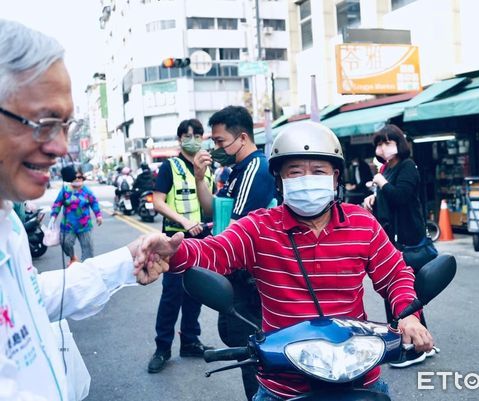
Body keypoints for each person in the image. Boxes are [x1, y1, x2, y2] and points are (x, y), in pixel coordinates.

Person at [136, 121, 433, 401]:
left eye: (318, 171)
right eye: (295, 172)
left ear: (335, 178)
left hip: (359, 379)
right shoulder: (259, 227)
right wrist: (173, 253)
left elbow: (395, 274)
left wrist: (407, 315)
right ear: (279, 180)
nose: (307, 180)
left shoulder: (361, 223)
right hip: (284, 386)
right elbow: (215, 251)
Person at [0, 19, 174, 401]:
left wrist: (125, 259)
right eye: (45, 124)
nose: (62, 148)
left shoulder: (8, 220)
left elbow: (31, 300)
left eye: (66, 126)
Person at [193, 105, 275, 400]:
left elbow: (235, 229)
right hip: (237, 275)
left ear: (241, 137)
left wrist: (197, 249)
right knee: (245, 345)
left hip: (251, 277)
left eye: (219, 142)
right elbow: (211, 209)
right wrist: (199, 176)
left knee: (253, 353)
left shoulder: (257, 168)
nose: (216, 148)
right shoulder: (236, 171)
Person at [363, 124, 438, 368]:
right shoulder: (387, 168)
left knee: (395, 289)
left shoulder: (407, 166)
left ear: (399, 143)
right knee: (408, 292)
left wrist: (382, 183)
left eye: (387, 142)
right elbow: (388, 200)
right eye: (379, 143)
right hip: (391, 236)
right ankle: (421, 341)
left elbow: (402, 196)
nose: (383, 147)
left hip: (406, 237)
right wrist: (374, 197)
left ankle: (409, 347)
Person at [147, 118, 215, 374]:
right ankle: (162, 347)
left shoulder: (208, 167)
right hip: (175, 240)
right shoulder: (170, 166)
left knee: (195, 292)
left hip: (201, 239)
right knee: (172, 295)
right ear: (179, 139)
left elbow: (210, 200)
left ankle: (189, 340)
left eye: (197, 134)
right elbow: (158, 202)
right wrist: (185, 222)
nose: (192, 139)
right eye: (187, 135)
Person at [50, 169, 102, 264]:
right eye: (75, 177)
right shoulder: (65, 190)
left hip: (85, 226)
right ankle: (72, 257)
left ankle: (87, 267)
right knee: (65, 243)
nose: (77, 179)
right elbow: (57, 203)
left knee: (88, 249)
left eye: (79, 177)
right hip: (68, 225)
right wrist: (53, 217)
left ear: (82, 178)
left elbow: (94, 203)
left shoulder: (87, 191)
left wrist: (98, 215)